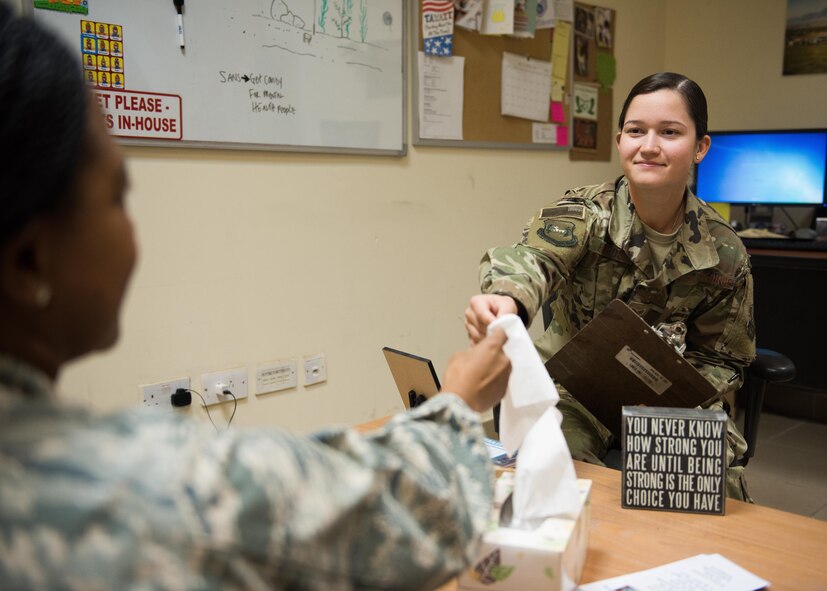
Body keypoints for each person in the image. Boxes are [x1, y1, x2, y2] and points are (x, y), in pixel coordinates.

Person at [0, 9, 511, 589]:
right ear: (28, 260)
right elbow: (397, 511)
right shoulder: (132, 490)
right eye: (118, 197)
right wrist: (460, 403)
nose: (135, 230)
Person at [464, 72, 756, 501]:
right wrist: (508, 300)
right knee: (556, 470)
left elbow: (722, 358)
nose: (649, 146)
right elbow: (533, 260)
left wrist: (676, 400)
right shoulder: (584, 215)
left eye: (670, 132)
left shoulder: (724, 251)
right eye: (636, 131)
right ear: (620, 140)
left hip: (670, 398)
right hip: (575, 387)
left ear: (700, 148)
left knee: (712, 491)